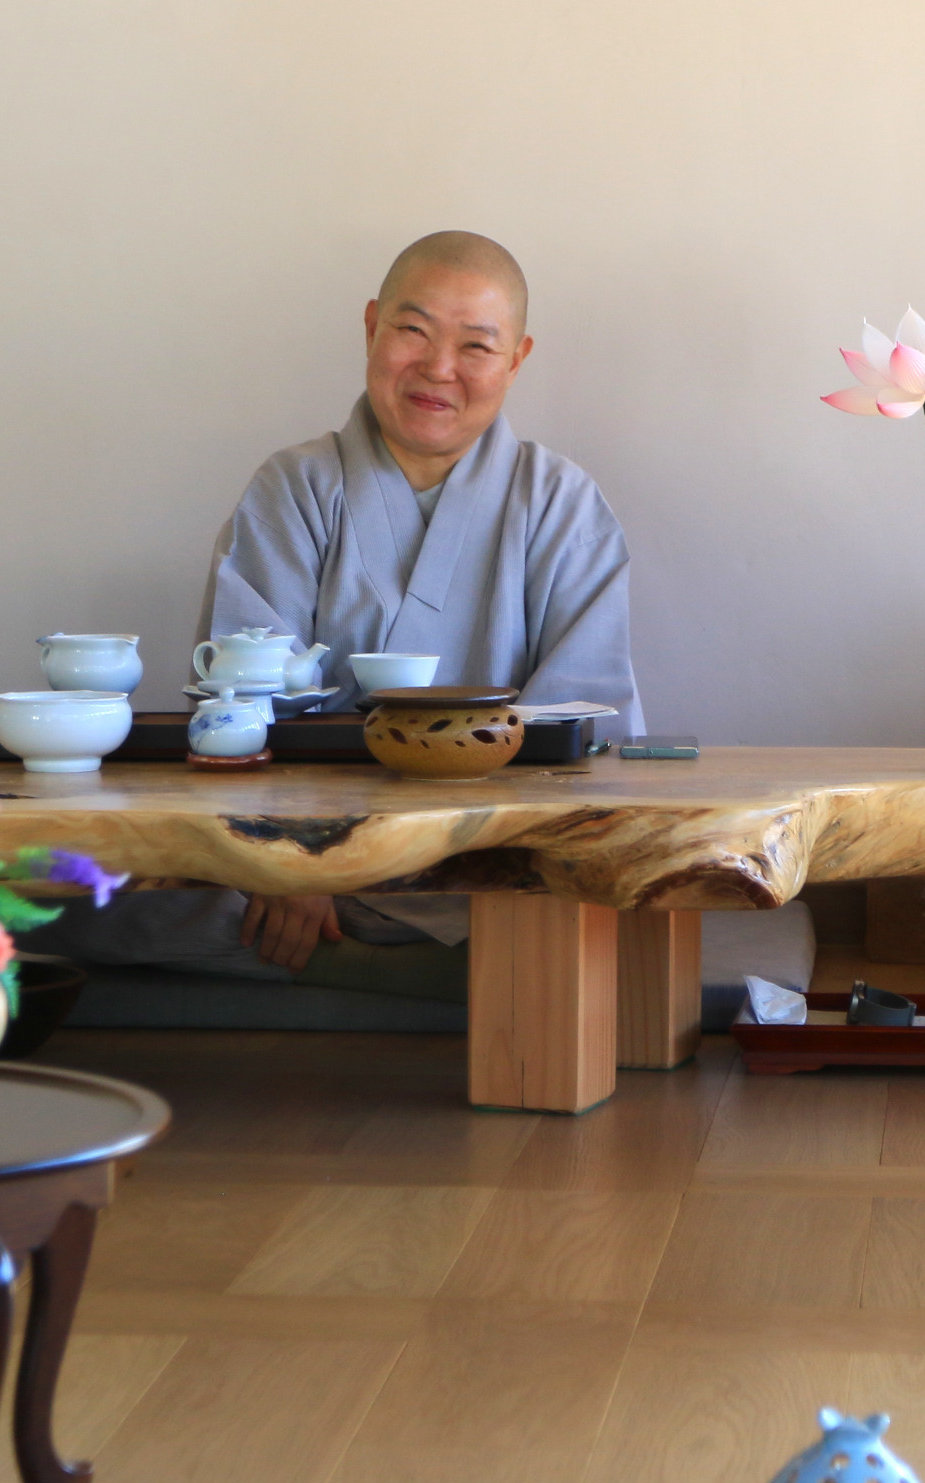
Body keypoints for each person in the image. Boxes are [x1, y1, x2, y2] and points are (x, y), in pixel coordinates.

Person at [32, 231, 643, 990]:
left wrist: (456, 861)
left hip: (483, 871)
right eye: (412, 330)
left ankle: (415, 942)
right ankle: (416, 951)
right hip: (296, 864)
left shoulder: (560, 505)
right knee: (61, 897)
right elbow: (236, 715)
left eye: (476, 346)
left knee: (581, 904)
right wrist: (296, 864)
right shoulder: (293, 488)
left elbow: (588, 734)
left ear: (515, 359)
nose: (438, 368)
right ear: (370, 327)